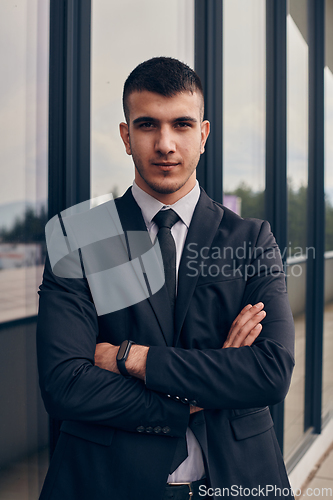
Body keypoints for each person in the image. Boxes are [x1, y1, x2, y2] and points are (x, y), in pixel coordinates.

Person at [37, 57, 295, 500]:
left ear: (203, 134)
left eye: (181, 124)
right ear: (126, 136)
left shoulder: (252, 240)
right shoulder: (78, 239)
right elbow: (66, 384)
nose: (165, 144)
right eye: (147, 125)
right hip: (107, 483)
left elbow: (270, 372)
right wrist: (199, 394)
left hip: (236, 479)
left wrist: (132, 358)